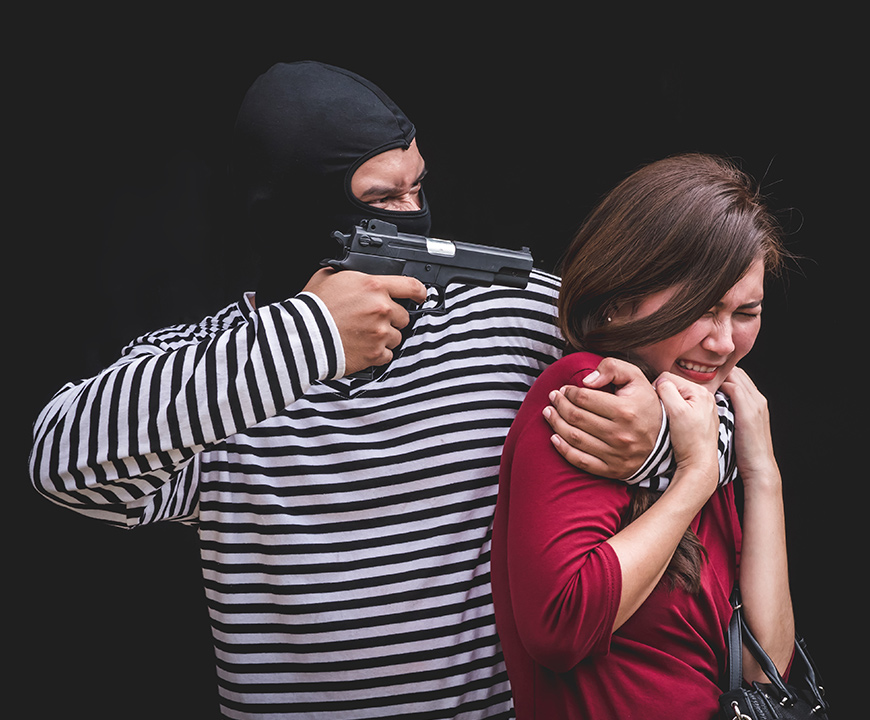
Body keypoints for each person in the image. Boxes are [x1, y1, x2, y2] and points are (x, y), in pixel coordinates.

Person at [29, 61, 667, 718]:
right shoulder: (209, 368)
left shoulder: (509, 315)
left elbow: (707, 395)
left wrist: (652, 441)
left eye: (418, 187)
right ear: (292, 213)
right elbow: (62, 466)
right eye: (383, 199)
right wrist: (309, 336)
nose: (415, 216)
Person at [491, 153, 795, 719]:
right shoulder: (591, 393)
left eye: (745, 312)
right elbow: (559, 629)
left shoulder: (697, 421)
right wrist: (697, 475)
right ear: (621, 297)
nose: (723, 342)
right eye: (702, 308)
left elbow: (765, 667)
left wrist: (762, 473)